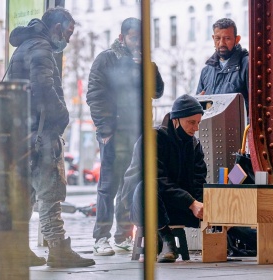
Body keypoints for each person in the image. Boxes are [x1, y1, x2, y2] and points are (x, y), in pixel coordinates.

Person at [125, 94, 273, 263]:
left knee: (221, 215)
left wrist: (209, 208)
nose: (195, 128)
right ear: (176, 120)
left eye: (198, 122)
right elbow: (157, 179)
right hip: (142, 205)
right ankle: (167, 241)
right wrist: (191, 202)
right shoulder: (154, 138)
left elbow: (198, 183)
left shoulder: (194, 145)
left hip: (177, 205)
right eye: (191, 122)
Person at [7, 7, 95, 267]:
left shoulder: (25, 45)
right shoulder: (42, 49)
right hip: (41, 133)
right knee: (50, 193)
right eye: (68, 33)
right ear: (57, 28)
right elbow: (44, 88)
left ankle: (19, 248)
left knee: (28, 194)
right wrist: (62, 116)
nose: (67, 40)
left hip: (22, 132)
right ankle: (58, 249)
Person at [87, 17, 164, 256]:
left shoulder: (143, 61)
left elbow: (158, 91)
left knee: (130, 185)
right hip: (114, 132)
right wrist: (105, 130)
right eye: (133, 37)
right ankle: (101, 238)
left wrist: (146, 69)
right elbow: (95, 95)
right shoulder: (106, 59)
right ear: (122, 37)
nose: (137, 42)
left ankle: (122, 235)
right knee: (108, 186)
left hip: (137, 132)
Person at [196, 18, 249, 112]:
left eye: (227, 38)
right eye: (217, 38)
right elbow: (198, 111)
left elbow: (255, 108)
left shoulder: (247, 65)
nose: (221, 43)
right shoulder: (206, 71)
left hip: (240, 127)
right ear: (213, 38)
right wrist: (199, 104)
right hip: (210, 126)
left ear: (237, 39)